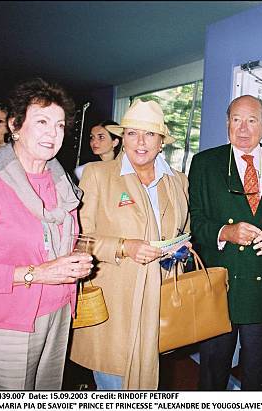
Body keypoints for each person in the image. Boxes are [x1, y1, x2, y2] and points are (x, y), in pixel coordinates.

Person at [0, 78, 93, 390]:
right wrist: (37, 273)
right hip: (5, 321)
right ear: (16, 126)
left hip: (59, 313)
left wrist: (75, 259)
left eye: (60, 125)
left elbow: (54, 241)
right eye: (41, 122)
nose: (53, 133)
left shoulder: (61, 181)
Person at [69, 99, 190, 390]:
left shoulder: (178, 182)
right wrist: (124, 246)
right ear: (123, 138)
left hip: (160, 296)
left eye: (150, 134)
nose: (141, 142)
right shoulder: (98, 176)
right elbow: (79, 238)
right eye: (133, 133)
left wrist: (181, 249)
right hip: (115, 299)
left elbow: (185, 231)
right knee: (113, 381)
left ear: (161, 142)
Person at [188, 94, 262, 390]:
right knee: (211, 374)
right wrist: (225, 232)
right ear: (227, 123)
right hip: (218, 289)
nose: (243, 128)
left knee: (259, 374)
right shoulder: (204, 164)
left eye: (251, 120)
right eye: (236, 120)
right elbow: (194, 221)